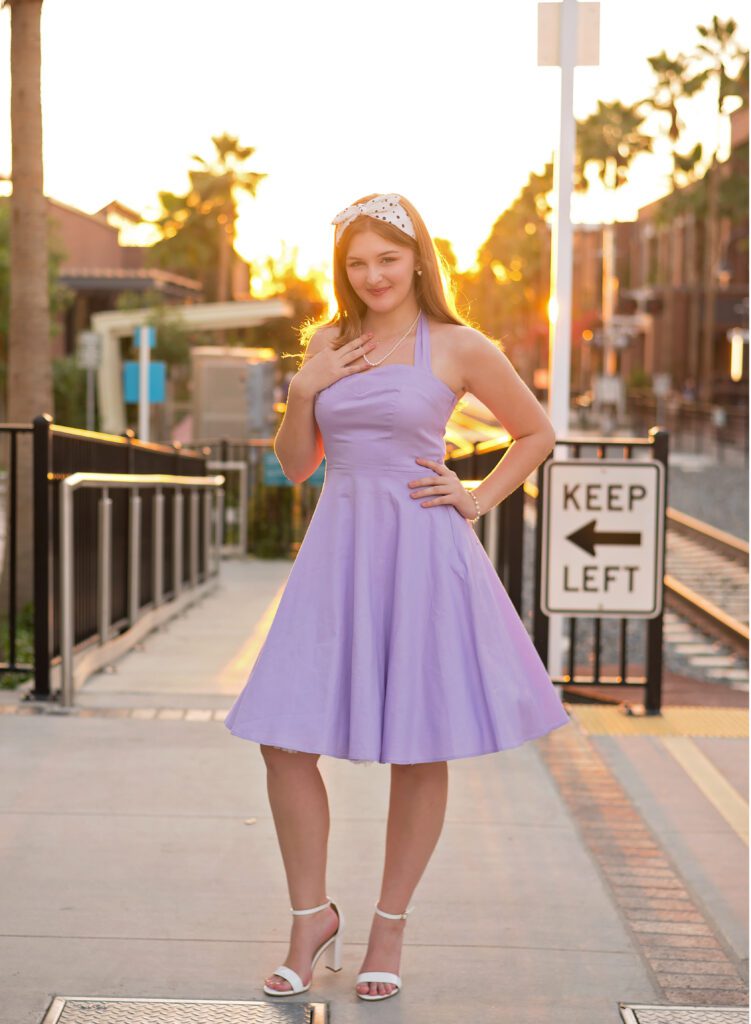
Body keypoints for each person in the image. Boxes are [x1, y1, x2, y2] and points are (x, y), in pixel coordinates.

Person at [224, 192, 570, 1002]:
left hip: (420, 551)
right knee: (284, 737)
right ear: (341, 271)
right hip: (336, 552)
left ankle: (388, 926)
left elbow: (536, 432)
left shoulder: (458, 344)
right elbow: (296, 466)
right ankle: (311, 916)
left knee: (419, 743)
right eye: (356, 261)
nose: (372, 274)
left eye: (387, 257)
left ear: (418, 260)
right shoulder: (327, 344)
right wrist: (303, 390)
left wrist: (479, 496)